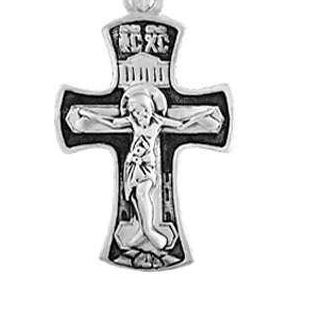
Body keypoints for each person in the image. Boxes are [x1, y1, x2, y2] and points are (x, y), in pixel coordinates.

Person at [76, 85, 223, 250]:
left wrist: (202, 115)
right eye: (136, 112)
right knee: (134, 197)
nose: (140, 116)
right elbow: (112, 123)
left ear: (150, 108)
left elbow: (181, 125)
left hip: (147, 166)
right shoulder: (132, 121)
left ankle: (149, 230)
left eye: (143, 110)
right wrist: (90, 115)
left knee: (142, 192)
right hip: (132, 165)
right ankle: (142, 229)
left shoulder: (158, 122)